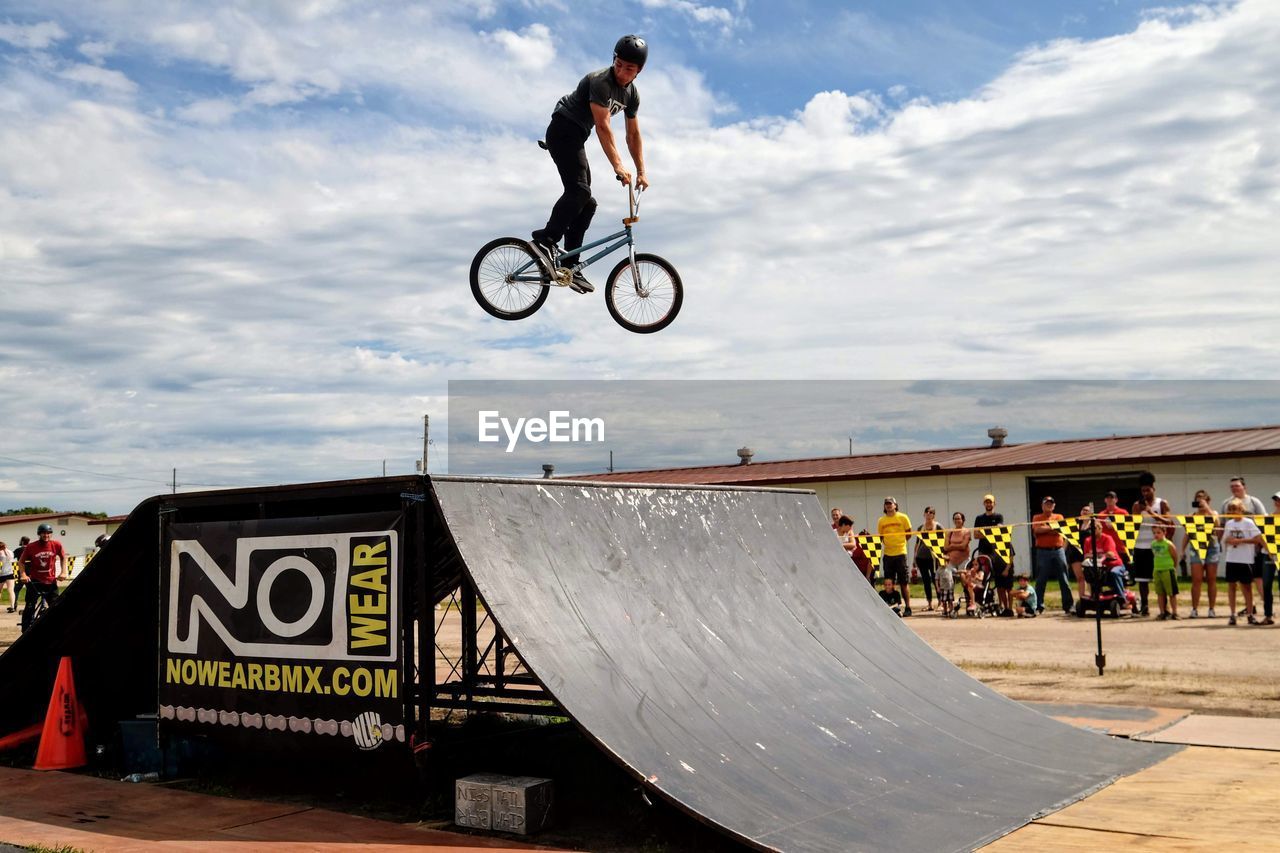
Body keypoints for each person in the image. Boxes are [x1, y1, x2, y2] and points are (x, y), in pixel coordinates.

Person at [530, 35, 649, 294]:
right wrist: (618, 165)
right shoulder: (600, 81)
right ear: (613, 60)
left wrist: (641, 171)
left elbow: (633, 135)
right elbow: (604, 126)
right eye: (618, 64)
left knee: (587, 201)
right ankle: (545, 239)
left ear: (638, 72)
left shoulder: (632, 94)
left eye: (629, 68)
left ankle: (570, 264)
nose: (621, 71)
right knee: (580, 192)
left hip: (576, 136)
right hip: (563, 129)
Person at [1220, 478, 1267, 613]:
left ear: (1244, 487)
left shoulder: (1253, 501)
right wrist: (1225, 543)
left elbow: (1264, 521)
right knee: (1239, 582)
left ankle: (1266, 606)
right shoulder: (1226, 503)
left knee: (1257, 578)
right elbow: (1222, 525)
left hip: (1254, 547)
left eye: (1237, 486)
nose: (1234, 488)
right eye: (1232, 487)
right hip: (1234, 552)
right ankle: (1249, 607)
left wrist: (1262, 544)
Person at [1130, 472, 1174, 617]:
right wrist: (1138, 512)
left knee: (1161, 578)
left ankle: (1165, 608)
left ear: (1153, 488)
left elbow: (1169, 522)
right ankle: (1145, 606)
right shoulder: (1137, 505)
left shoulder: (1162, 503)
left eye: (1148, 490)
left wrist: (1151, 512)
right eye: (1143, 490)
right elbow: (1133, 526)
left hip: (1158, 546)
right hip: (1141, 546)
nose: (1145, 493)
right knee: (1142, 580)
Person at [18, 523, 66, 632]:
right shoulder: (31, 547)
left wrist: (63, 572)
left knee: (56, 605)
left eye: (49, 533)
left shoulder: (56, 544)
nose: (46, 535)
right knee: (30, 606)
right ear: (39, 534)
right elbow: (21, 562)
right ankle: (25, 630)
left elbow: (63, 557)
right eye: (44, 533)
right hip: (35, 581)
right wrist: (23, 575)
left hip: (51, 581)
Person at [1221, 499, 1261, 626]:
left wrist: (1241, 541)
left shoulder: (1248, 523)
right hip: (1232, 558)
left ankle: (1250, 614)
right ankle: (1232, 614)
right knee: (1232, 586)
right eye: (1231, 509)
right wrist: (1229, 540)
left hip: (1245, 559)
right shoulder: (1229, 524)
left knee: (1247, 587)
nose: (1234, 512)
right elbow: (1224, 540)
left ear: (1242, 510)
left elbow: (1257, 539)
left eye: (1236, 509)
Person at [1031, 496, 1073, 615]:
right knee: (1041, 580)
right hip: (1042, 551)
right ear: (1042, 505)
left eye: (1051, 504)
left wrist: (1046, 528)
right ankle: (1038, 606)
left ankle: (1068, 606)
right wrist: (1052, 528)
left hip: (1058, 550)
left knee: (1064, 579)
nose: (1049, 505)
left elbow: (1061, 530)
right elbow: (1037, 531)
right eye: (1046, 503)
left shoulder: (1059, 517)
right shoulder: (1037, 517)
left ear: (1054, 506)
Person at [974, 494, 1014, 616]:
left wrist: (984, 532)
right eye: (986, 502)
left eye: (990, 502)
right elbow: (976, 535)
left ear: (994, 504)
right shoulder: (979, 518)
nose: (988, 504)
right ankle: (982, 602)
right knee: (983, 579)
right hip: (983, 551)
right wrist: (991, 532)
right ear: (984, 504)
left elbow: (1000, 530)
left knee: (1000, 581)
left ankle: (1002, 606)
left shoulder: (998, 516)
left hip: (997, 551)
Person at [1182, 489, 1220, 618]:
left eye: (1202, 499)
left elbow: (1217, 524)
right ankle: (1194, 609)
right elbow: (1188, 533)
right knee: (1196, 580)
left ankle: (1211, 609)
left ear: (1207, 500)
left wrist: (1207, 509)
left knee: (1211, 579)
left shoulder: (1213, 513)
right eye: (1197, 499)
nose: (1199, 501)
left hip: (1211, 547)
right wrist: (1182, 550)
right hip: (1196, 548)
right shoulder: (1192, 515)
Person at [877, 497, 914, 616]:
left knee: (904, 582)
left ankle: (908, 607)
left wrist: (900, 542)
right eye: (886, 504)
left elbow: (909, 533)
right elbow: (880, 537)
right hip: (888, 554)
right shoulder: (881, 520)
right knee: (889, 582)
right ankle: (891, 606)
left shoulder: (903, 517)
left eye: (890, 504)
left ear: (895, 505)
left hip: (900, 553)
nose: (888, 506)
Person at [942, 512, 971, 617]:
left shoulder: (966, 531)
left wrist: (952, 545)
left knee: (964, 577)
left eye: (959, 518)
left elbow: (964, 546)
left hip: (964, 560)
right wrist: (957, 545)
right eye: (955, 518)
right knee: (946, 577)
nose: (957, 520)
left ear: (963, 520)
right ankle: (948, 606)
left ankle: (969, 602)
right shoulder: (949, 532)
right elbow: (945, 548)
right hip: (952, 561)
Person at [913, 507, 942, 611]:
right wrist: (914, 558)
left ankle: (941, 602)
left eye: (931, 513)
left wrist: (941, 558)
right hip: (921, 558)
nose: (929, 514)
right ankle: (929, 603)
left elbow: (942, 543)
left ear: (934, 515)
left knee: (936, 580)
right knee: (926, 581)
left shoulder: (938, 527)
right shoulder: (921, 527)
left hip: (934, 559)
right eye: (927, 512)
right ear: (924, 514)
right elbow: (917, 543)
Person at [1151, 523, 1180, 620]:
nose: (1156, 535)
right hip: (1157, 570)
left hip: (1168, 570)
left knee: (1171, 593)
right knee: (1160, 593)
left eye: (1158, 532)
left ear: (1164, 532)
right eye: (1154, 533)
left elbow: (1175, 556)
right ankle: (1162, 612)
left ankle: (1175, 612)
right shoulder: (1153, 544)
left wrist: (1173, 567)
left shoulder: (1168, 544)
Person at [1260, 492, 1280, 626]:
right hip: (1269, 555)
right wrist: (1269, 549)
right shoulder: (1269, 518)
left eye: (1279, 500)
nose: (1277, 502)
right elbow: (1261, 536)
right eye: (1276, 500)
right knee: (1266, 585)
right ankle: (1268, 615)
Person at [0, 540, 14, 613]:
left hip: (4, 573)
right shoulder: (9, 552)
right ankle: (12, 606)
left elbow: (8, 558)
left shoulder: (2, 552)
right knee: (10, 590)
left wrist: (4, 550)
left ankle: (12, 606)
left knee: (4, 590)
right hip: (7, 573)